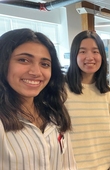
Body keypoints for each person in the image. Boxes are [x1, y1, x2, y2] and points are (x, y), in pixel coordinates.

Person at [0, 28, 77, 169]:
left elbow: (68, 165)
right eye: (23, 60)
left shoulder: (54, 113)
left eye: (45, 64)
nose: (36, 72)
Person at [65, 30, 110, 169]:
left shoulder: (108, 92)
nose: (90, 57)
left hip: (103, 165)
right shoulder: (61, 90)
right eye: (82, 51)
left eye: (95, 51)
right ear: (74, 55)